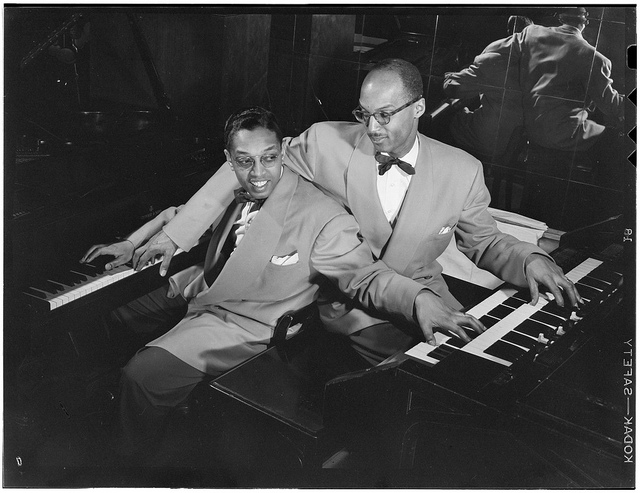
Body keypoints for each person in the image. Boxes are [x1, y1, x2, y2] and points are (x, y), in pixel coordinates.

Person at [130, 58, 581, 368]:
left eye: (385, 115)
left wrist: (531, 259)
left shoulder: (462, 171)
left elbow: (486, 242)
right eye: (364, 114)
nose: (372, 128)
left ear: (420, 108)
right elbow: (248, 166)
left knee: (471, 371)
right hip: (348, 304)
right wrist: (177, 233)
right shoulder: (328, 141)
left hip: (426, 296)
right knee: (402, 399)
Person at [81, 106, 474, 458]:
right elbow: (179, 214)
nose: (258, 174)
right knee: (110, 316)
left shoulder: (323, 216)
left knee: (141, 376)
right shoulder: (238, 188)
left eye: (269, 159)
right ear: (229, 161)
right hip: (200, 288)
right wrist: (132, 242)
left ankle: (131, 468)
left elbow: (365, 276)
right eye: (244, 161)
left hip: (246, 323)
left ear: (283, 154)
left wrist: (420, 299)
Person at [484, 7, 624, 152]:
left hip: (531, 131)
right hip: (562, 136)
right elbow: (610, 105)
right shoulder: (595, 58)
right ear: (586, 19)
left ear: (560, 16)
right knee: (618, 141)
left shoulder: (533, 33)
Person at [443, 16, 533, 161]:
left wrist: (450, 75)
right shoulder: (538, 61)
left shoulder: (497, 56)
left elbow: (453, 89)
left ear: (510, 31)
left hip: (491, 140)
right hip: (517, 144)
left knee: (447, 121)